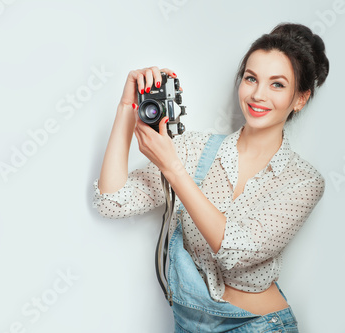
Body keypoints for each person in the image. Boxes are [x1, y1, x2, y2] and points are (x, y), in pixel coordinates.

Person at [92, 22, 329, 333]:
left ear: (300, 98)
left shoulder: (303, 181)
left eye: (277, 84)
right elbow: (112, 202)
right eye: (251, 78)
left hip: (260, 327)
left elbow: (236, 253)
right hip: (190, 324)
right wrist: (127, 106)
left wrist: (173, 169)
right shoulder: (194, 150)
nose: (258, 95)